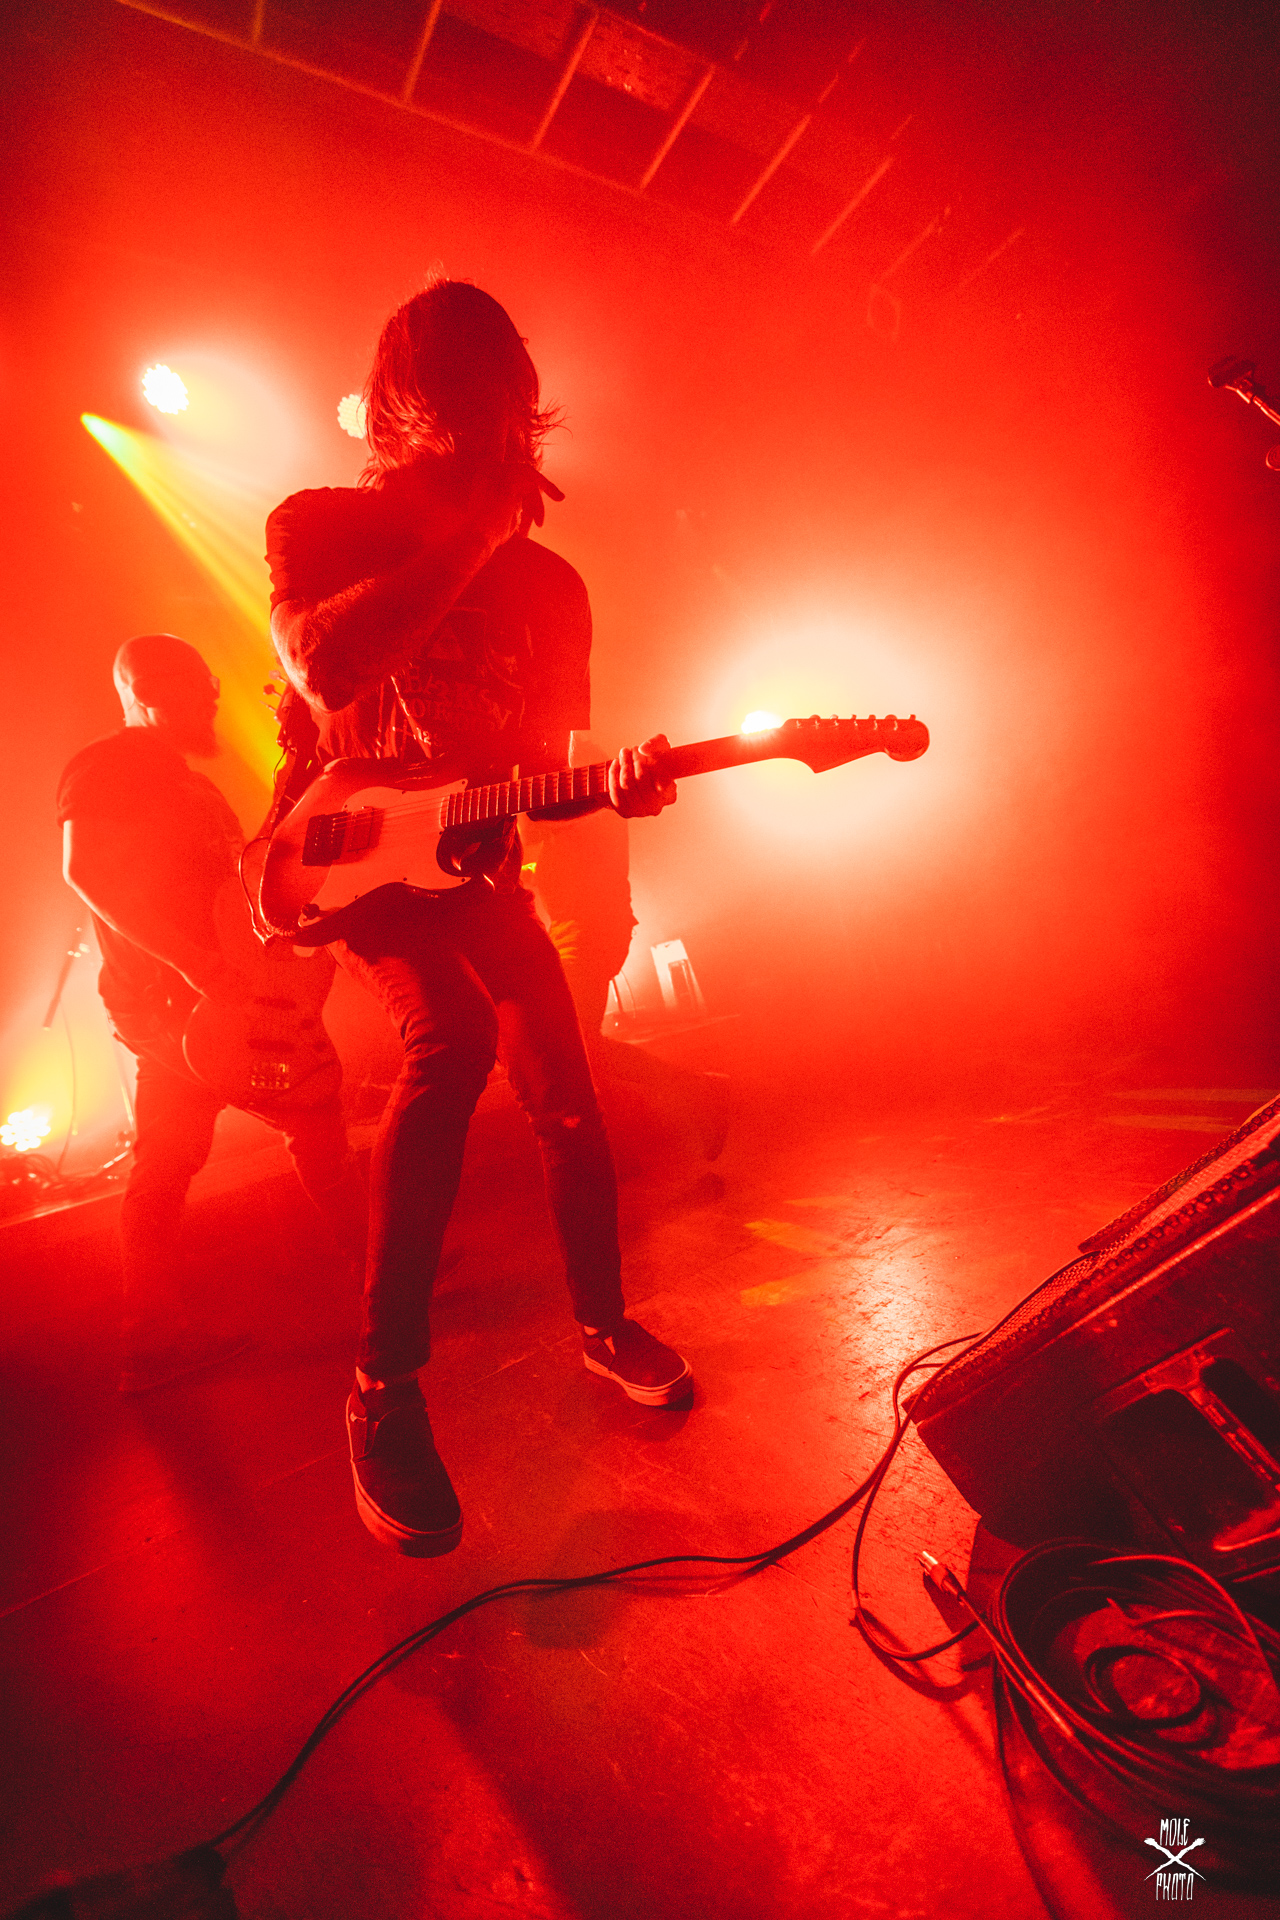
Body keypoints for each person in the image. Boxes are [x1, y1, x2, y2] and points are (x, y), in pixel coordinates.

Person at [266, 278, 690, 1559]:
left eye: (499, 397)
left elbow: (546, 771)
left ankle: (603, 1322)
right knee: (446, 1038)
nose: (484, 422)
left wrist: (614, 786)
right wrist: (471, 538)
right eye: (454, 395)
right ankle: (380, 1387)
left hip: (475, 870)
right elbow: (326, 667)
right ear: (402, 403)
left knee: (566, 1091)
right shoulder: (323, 523)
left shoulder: (552, 585)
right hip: (345, 858)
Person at [58, 633, 364, 1393]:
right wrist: (197, 967)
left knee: (171, 1160)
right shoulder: (109, 764)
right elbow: (85, 870)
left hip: (210, 998)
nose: (215, 697)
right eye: (199, 685)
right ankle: (384, 1273)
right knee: (309, 1112)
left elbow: (236, 892)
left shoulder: (190, 785)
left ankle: (151, 1339)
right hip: (176, 1003)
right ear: (147, 695)